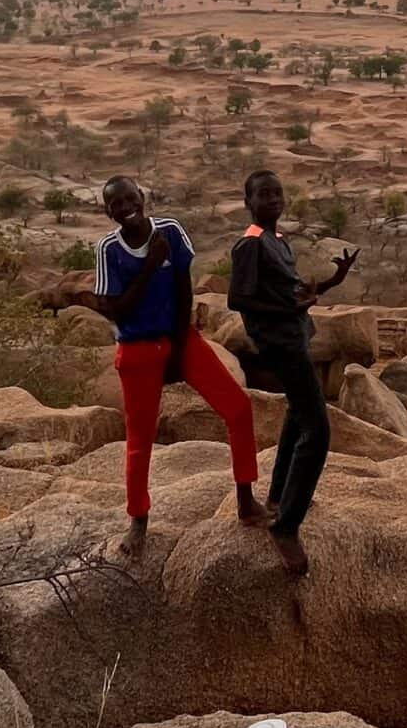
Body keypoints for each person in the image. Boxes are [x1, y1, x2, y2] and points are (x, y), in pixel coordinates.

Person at [92, 176, 264, 555]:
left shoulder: (169, 229)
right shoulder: (108, 249)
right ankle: (138, 520)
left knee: (238, 408)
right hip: (137, 347)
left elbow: (184, 289)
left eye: (129, 198)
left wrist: (177, 346)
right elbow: (117, 309)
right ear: (108, 211)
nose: (125, 207)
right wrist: (150, 266)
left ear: (143, 197)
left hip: (178, 338)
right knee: (139, 440)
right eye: (115, 204)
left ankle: (246, 499)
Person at [227, 168, 358, 576]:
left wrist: (333, 280)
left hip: (294, 335)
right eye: (262, 195)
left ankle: (279, 498)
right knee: (317, 430)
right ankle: (286, 527)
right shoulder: (249, 245)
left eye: (277, 193)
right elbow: (238, 300)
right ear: (248, 202)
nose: (272, 199)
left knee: (297, 416)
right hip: (279, 342)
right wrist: (289, 309)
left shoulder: (278, 242)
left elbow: (295, 292)